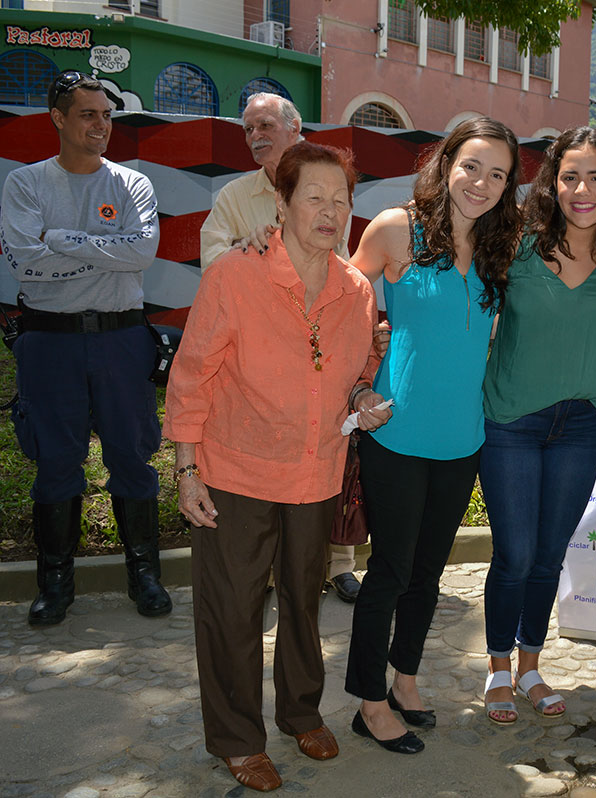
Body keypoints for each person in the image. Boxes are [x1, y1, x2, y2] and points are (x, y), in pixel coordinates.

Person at [164, 142, 386, 793]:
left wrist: (366, 398)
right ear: (282, 204)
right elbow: (192, 375)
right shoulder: (236, 274)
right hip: (234, 474)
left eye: (340, 199)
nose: (329, 211)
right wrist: (187, 469)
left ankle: (300, 712)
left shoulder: (355, 288)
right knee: (231, 610)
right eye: (313, 196)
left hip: (314, 476)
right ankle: (236, 738)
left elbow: (354, 378)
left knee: (303, 601)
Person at [344, 117, 521, 752]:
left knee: (428, 574)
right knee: (389, 572)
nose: (482, 182)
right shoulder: (395, 227)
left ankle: (405, 678)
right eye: (472, 165)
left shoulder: (505, 246)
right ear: (447, 163)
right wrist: (358, 387)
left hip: (462, 440)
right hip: (397, 431)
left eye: (498, 174)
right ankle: (368, 700)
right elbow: (341, 302)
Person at [2, 70, 171, 626]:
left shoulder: (132, 185)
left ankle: (144, 575)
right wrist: (105, 251)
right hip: (49, 344)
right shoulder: (25, 185)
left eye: (107, 115)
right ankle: (55, 584)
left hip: (122, 340)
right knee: (56, 461)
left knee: (132, 456)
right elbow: (27, 264)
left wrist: (65, 241)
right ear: (58, 118)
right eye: (88, 115)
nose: (102, 125)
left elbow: (142, 252)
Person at [479, 127, 596, 724]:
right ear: (552, 181)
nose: (582, 189)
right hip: (511, 421)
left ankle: (531, 666)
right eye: (571, 176)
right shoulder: (513, 240)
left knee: (548, 557)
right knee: (514, 555)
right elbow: (444, 233)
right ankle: (496, 669)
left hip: (583, 423)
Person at [198, 91, 360, 602]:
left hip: (317, 346)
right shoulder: (233, 196)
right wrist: (256, 251)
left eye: (265, 124)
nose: (255, 136)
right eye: (248, 129)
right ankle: (265, 571)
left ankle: (337, 564)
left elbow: (338, 259)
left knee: (320, 455)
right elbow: (214, 263)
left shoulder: (329, 180)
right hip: (259, 350)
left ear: (295, 129)